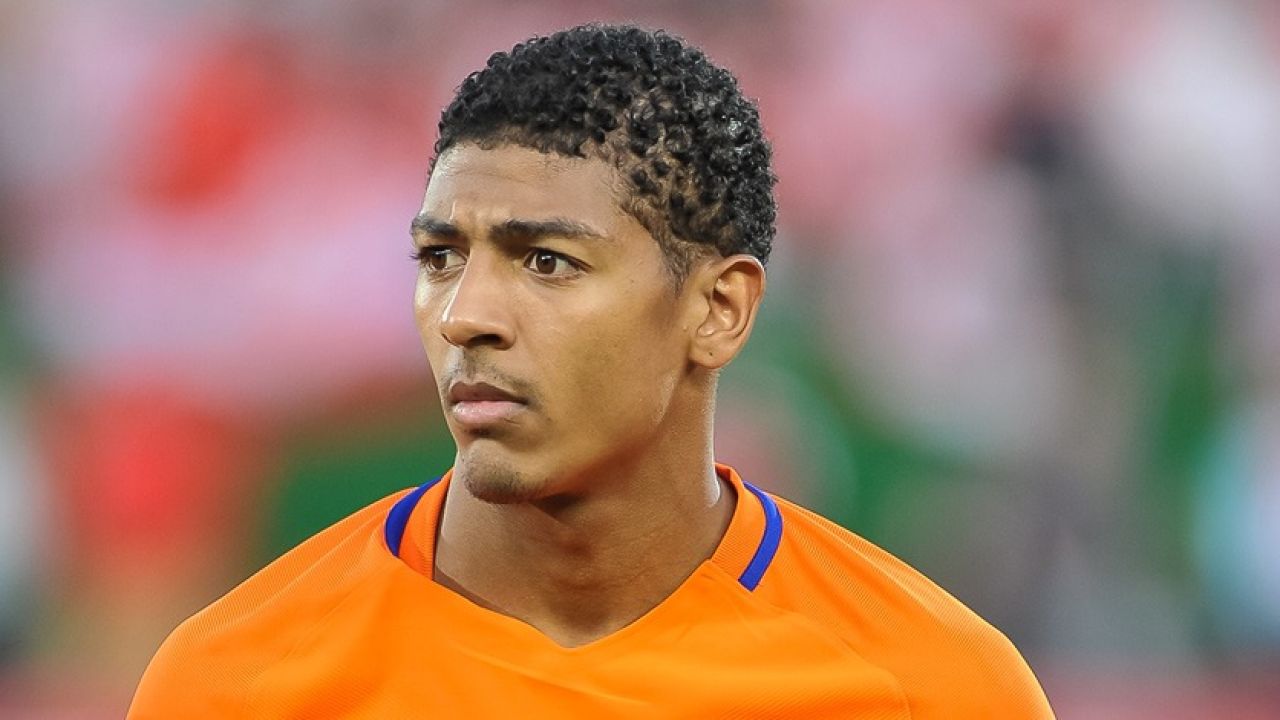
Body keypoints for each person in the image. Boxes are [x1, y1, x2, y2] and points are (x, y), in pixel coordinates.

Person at [129, 24, 1055, 718]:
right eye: (441, 258)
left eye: (547, 262)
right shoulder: (235, 686)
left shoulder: (933, 689)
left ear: (719, 310)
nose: (466, 317)